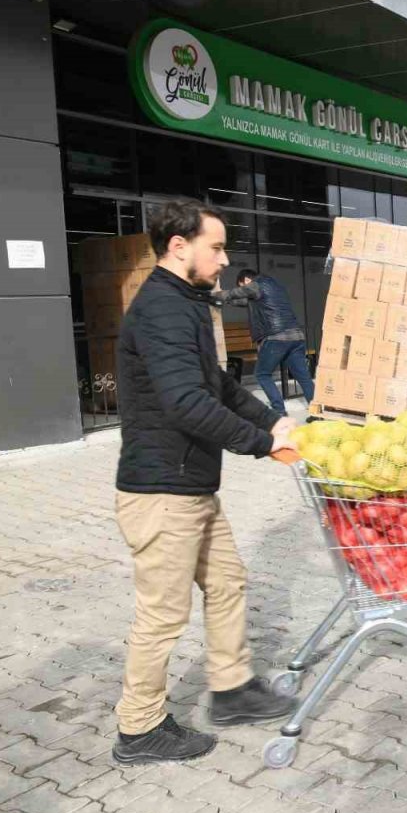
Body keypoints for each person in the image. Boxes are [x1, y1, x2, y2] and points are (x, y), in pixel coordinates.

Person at [112, 199, 298, 765]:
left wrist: (272, 417)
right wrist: (266, 445)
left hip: (190, 486)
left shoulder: (184, 303)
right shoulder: (163, 310)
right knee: (163, 615)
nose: (223, 260)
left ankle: (231, 689)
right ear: (179, 246)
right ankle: (139, 728)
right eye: (215, 247)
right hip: (163, 492)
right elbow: (186, 403)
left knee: (227, 582)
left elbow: (215, 383)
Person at [218, 268, 315, 414]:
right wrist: (228, 302)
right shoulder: (274, 285)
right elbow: (244, 301)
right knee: (303, 375)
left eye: (242, 286)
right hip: (296, 336)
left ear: (246, 281)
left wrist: (214, 295)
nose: (242, 288)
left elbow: (235, 293)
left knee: (262, 374)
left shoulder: (256, 285)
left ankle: (279, 411)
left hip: (276, 337)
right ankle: (318, 413)